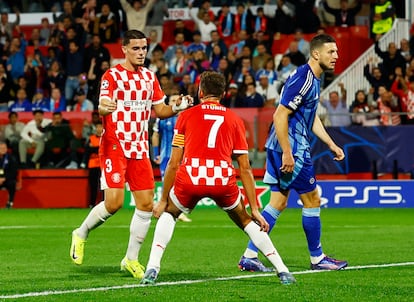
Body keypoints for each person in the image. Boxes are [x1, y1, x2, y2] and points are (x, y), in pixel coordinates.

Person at [141, 71, 295, 285]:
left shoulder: (185, 116)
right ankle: (283, 270)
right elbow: (245, 168)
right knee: (246, 221)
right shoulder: (234, 120)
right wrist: (256, 209)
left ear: (200, 91)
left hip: (191, 176)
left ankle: (152, 267)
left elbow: (174, 163)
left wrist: (163, 200)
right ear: (223, 94)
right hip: (222, 178)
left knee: (170, 214)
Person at [69, 30, 193, 281]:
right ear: (124, 49)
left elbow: (160, 110)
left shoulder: (150, 77)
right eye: (136, 48)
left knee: (146, 206)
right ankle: (81, 233)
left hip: (139, 147)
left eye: (144, 48)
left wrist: (178, 106)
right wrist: (106, 107)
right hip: (115, 145)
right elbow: (103, 103)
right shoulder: (112, 75)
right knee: (114, 203)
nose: (141, 53)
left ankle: (131, 259)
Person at [238, 34, 348, 273]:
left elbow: (310, 117)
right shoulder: (304, 79)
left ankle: (249, 255)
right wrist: (288, 152)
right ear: (316, 54)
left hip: (280, 146)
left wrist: (331, 143)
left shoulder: (313, 78)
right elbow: (279, 114)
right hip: (292, 148)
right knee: (312, 199)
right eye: (331, 52)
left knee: (277, 202)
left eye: (337, 52)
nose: (336, 56)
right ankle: (318, 258)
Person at [152, 95, 191, 223]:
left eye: (177, 100)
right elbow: (156, 135)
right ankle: (171, 210)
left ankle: (173, 209)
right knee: (167, 182)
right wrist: (156, 154)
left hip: (183, 156)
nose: (176, 102)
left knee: (179, 183)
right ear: (169, 103)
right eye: (173, 101)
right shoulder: (161, 119)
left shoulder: (185, 118)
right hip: (166, 156)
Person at [0, 141, 19, 209]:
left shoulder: (11, 158)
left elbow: (13, 172)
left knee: (12, 183)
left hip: (7, 179)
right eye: (1, 148)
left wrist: (4, 178)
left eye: (5, 148)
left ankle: (10, 202)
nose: (3, 150)